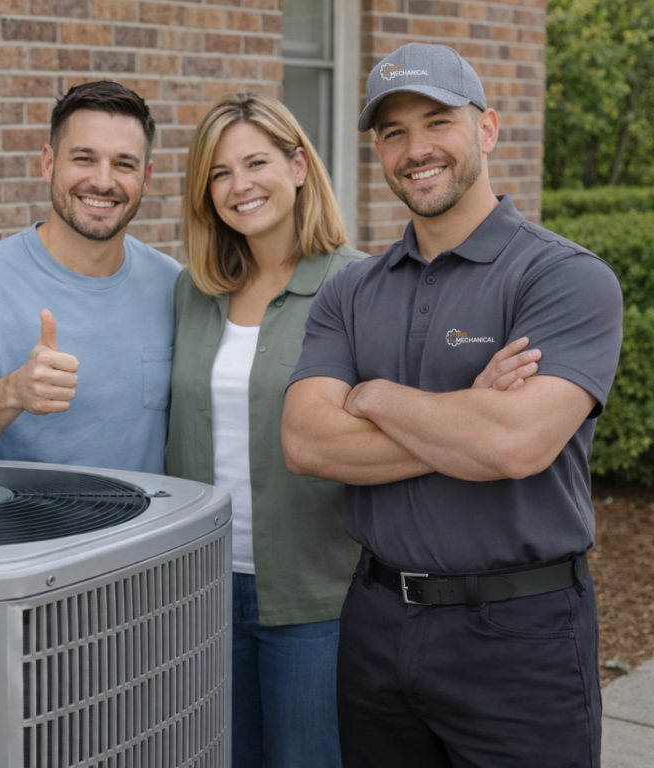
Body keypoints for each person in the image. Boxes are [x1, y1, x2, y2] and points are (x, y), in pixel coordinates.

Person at [165, 92, 544, 768]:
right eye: (218, 173)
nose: (239, 185)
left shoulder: (362, 286)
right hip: (199, 589)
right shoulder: (192, 293)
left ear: (300, 165)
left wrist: (461, 425)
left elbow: (403, 436)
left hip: (320, 594)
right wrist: (458, 420)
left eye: (255, 162)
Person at [282, 43, 623, 768]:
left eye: (438, 121)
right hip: (375, 623)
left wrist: (372, 396)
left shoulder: (563, 277)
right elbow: (309, 443)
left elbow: (516, 447)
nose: (415, 149)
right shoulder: (351, 291)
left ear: (487, 129)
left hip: (519, 634)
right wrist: (465, 411)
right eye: (393, 132)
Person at [0, 81, 180, 472]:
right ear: (48, 163)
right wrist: (12, 392)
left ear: (147, 176)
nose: (104, 182)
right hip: (27, 533)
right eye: (84, 158)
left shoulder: (171, 285)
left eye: (124, 164)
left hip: (148, 532)